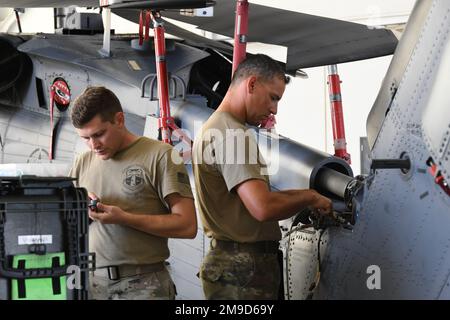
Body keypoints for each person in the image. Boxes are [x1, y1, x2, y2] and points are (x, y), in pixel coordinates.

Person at [192, 54, 333, 300]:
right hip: (244, 274)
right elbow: (262, 207)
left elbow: (256, 200)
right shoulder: (232, 135)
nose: (274, 109)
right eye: (273, 97)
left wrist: (308, 197)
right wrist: (309, 196)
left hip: (235, 268)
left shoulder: (216, 126)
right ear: (251, 84)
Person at [69, 86, 197, 300]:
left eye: (99, 134)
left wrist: (124, 218)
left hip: (143, 286)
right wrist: (81, 209)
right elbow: (68, 226)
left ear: (119, 120)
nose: (94, 145)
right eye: (85, 138)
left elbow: (187, 225)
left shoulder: (160, 156)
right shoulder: (83, 161)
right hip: (92, 285)